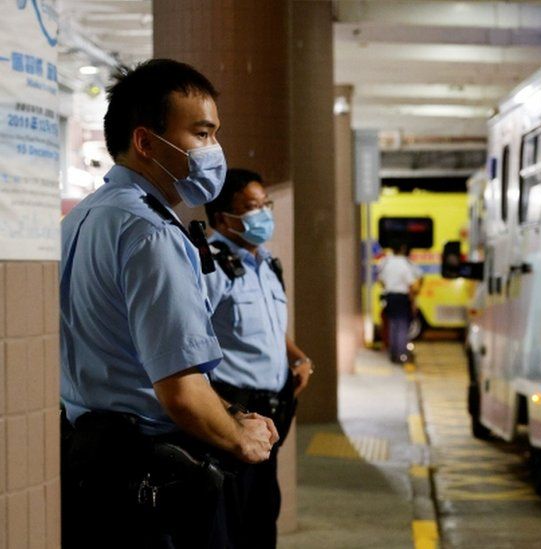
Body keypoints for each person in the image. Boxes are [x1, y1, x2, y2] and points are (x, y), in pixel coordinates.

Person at [60, 59, 278, 548]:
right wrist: (240, 437)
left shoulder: (79, 221)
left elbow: (129, 361)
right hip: (151, 478)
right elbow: (178, 390)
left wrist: (231, 411)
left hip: (88, 466)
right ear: (145, 142)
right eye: (201, 134)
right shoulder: (151, 232)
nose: (213, 151)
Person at [203, 168, 313, 548]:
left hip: (272, 416)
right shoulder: (211, 266)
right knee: (233, 523)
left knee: (264, 516)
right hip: (234, 415)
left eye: (266, 204)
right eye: (252, 208)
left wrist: (298, 358)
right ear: (222, 217)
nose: (264, 213)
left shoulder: (266, 262)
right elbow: (189, 337)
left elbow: (267, 327)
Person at [377, 241, 423, 364]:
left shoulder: (385, 262)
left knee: (392, 325)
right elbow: (412, 284)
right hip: (402, 297)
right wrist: (414, 298)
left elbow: (380, 280)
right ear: (403, 250)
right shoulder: (405, 264)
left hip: (389, 296)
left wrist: (389, 286)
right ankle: (401, 354)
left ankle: (393, 353)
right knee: (402, 326)